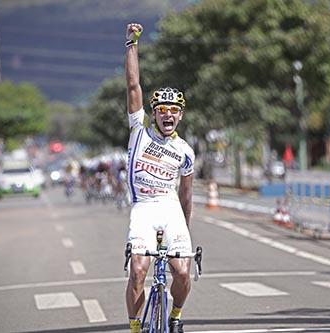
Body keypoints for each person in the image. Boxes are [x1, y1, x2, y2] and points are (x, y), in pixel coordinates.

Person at [124, 23, 195, 333]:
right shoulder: (138, 131)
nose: (168, 114)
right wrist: (132, 44)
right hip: (143, 208)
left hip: (171, 210)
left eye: (174, 110)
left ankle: (175, 316)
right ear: (154, 113)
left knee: (183, 273)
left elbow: (187, 196)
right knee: (139, 270)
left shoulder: (185, 150)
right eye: (163, 109)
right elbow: (133, 85)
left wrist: (185, 231)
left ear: (180, 115)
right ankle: (135, 327)